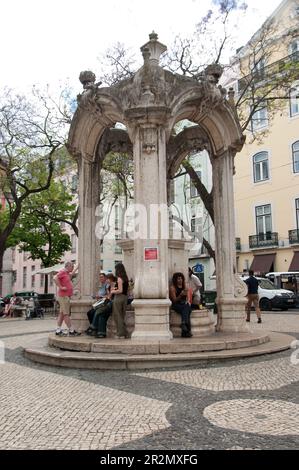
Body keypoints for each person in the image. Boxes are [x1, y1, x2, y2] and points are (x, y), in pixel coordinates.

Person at [54, 261, 81, 336]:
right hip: (63, 296)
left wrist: (76, 268)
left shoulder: (66, 273)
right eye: (72, 266)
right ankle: (71, 330)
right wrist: (61, 287)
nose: (72, 268)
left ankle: (58, 330)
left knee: (62, 314)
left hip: (65, 296)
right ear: (67, 266)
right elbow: (55, 277)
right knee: (66, 314)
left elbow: (71, 275)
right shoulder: (63, 272)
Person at [86, 273, 116, 338]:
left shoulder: (110, 286)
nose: (101, 279)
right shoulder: (106, 286)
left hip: (108, 304)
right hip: (104, 303)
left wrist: (102, 296)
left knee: (97, 312)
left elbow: (109, 297)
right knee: (94, 313)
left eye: (103, 277)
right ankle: (99, 332)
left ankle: (93, 327)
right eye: (100, 277)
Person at [169, 272, 193, 337]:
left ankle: (183, 325)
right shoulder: (172, 288)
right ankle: (187, 331)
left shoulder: (184, 287)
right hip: (176, 305)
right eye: (178, 279)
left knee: (187, 308)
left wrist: (188, 300)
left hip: (183, 304)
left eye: (181, 278)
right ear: (175, 280)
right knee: (187, 309)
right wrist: (180, 295)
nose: (180, 280)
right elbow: (174, 300)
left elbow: (188, 298)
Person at [111, 263, 129, 339]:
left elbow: (120, 290)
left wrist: (112, 291)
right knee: (122, 315)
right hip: (124, 298)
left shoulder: (119, 278)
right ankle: (124, 333)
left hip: (118, 298)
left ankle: (120, 333)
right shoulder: (125, 278)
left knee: (118, 316)